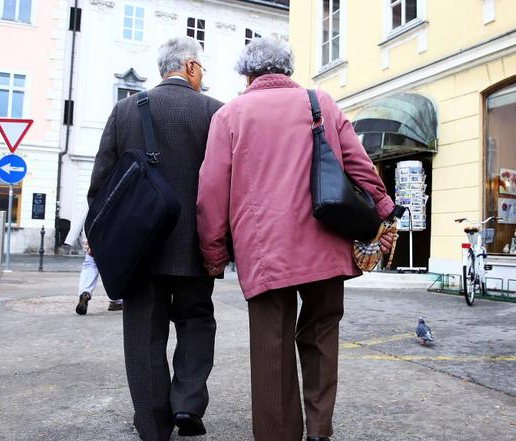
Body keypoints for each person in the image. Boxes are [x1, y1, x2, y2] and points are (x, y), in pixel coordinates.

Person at [196, 38, 396, 441]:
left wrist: (213, 251)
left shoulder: (230, 115)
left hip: (264, 249)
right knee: (322, 333)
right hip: (326, 240)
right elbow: (360, 165)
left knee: (272, 348)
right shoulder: (319, 102)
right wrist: (384, 209)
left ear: (247, 72)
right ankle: (320, 430)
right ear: (286, 68)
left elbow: (211, 191)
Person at [87, 36, 223, 441]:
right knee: (197, 321)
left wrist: (100, 235)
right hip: (196, 246)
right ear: (192, 67)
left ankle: (152, 424)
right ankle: (187, 403)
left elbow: (102, 182)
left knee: (144, 335)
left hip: (139, 249)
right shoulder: (215, 113)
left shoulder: (125, 110)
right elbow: (225, 184)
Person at [63, 201, 122, 313]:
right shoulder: (115, 191)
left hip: (91, 237)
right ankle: (115, 300)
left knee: (90, 265)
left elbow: (80, 217)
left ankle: (85, 292)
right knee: (112, 268)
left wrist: (72, 238)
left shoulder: (91, 196)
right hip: (111, 237)